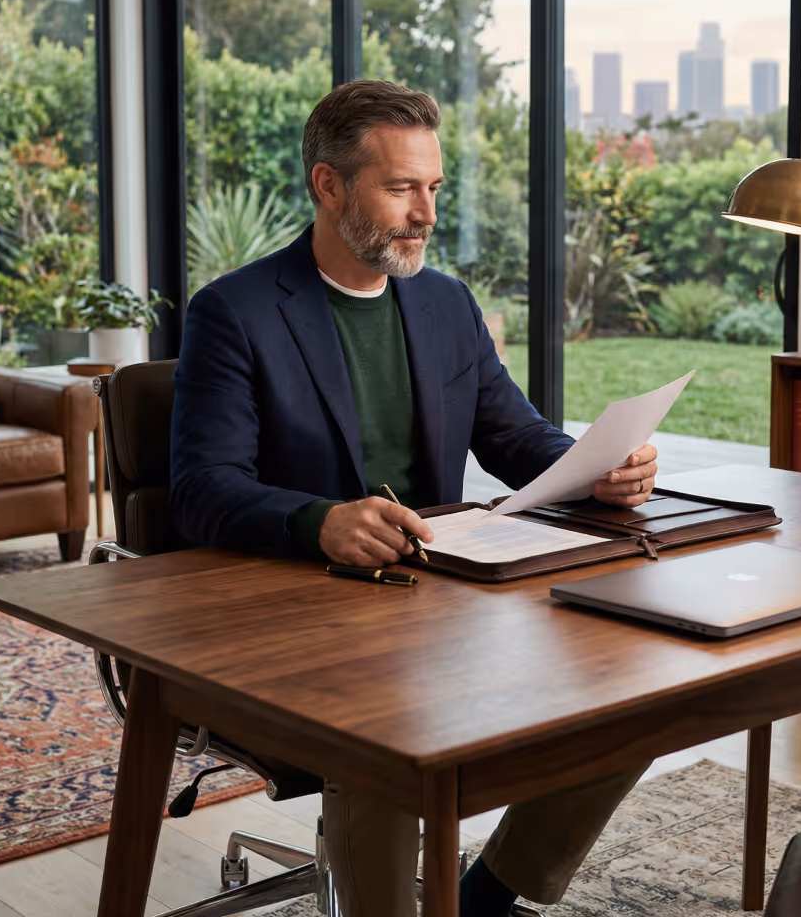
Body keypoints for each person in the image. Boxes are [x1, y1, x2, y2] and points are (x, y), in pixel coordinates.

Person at [171, 79, 659, 917]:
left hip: (437, 595)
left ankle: (490, 896)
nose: (426, 213)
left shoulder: (444, 303)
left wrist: (594, 466)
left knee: (635, 694)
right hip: (299, 607)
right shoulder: (235, 313)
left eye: (433, 188)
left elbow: (514, 438)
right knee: (389, 730)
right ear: (329, 186)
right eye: (401, 188)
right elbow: (201, 489)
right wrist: (318, 521)